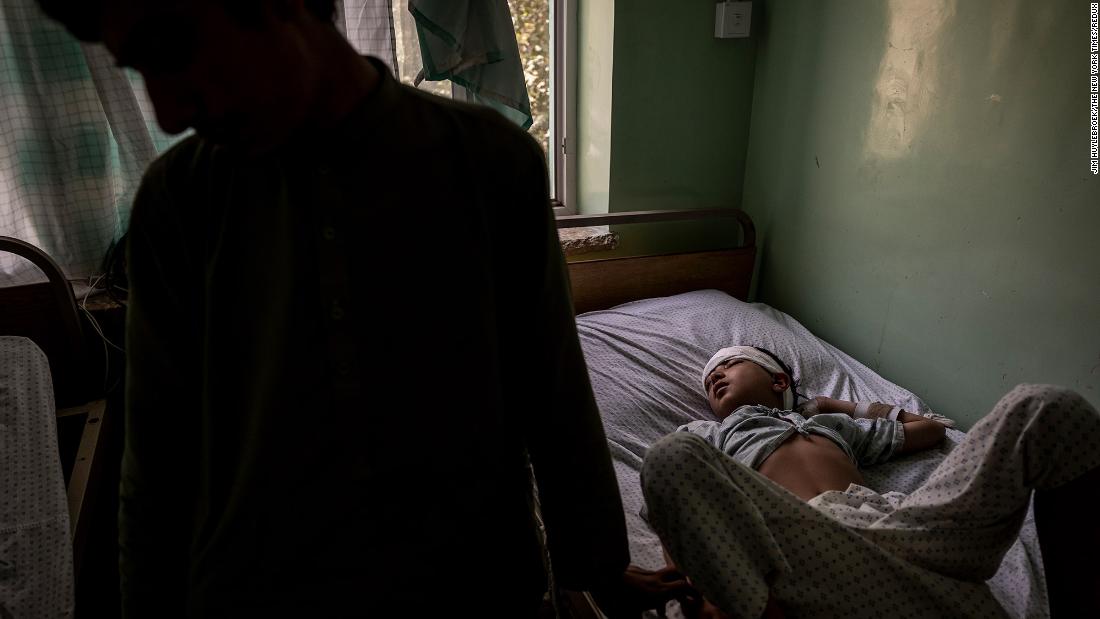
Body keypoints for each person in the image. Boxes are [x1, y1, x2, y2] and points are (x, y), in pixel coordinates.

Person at [36, 1, 629, 616]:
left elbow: (554, 394)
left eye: (172, 51)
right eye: (140, 69)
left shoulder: (490, 164)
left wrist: (600, 570)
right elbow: (158, 457)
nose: (167, 112)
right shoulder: (179, 201)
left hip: (474, 584)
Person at [638, 345, 1100, 618]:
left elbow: (932, 429)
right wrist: (695, 583)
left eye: (729, 364)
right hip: (797, 547)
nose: (715, 375)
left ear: (779, 379)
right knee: (667, 458)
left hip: (898, 531)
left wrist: (842, 407)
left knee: (1045, 408)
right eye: (709, 379)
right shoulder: (707, 435)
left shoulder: (831, 426)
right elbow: (674, 505)